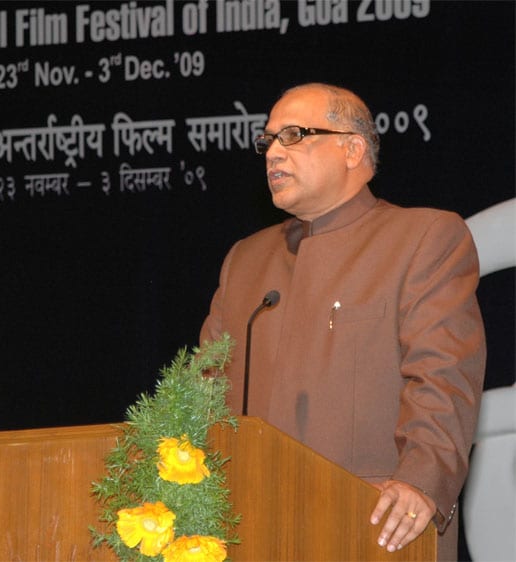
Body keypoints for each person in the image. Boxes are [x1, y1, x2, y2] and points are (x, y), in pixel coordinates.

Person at [200, 83, 486, 561]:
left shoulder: (422, 237)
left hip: (371, 524)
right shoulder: (246, 260)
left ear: (352, 149)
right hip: (245, 529)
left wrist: (421, 482)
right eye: (267, 140)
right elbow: (202, 392)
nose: (273, 152)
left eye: (293, 135)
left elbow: (443, 377)